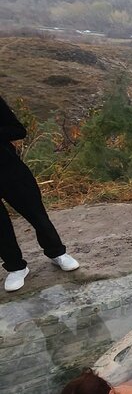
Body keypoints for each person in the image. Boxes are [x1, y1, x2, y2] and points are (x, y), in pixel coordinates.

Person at [1, 94, 79, 293]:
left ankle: (57, 253)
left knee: (37, 214)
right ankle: (16, 267)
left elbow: (18, 130)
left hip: (9, 170)